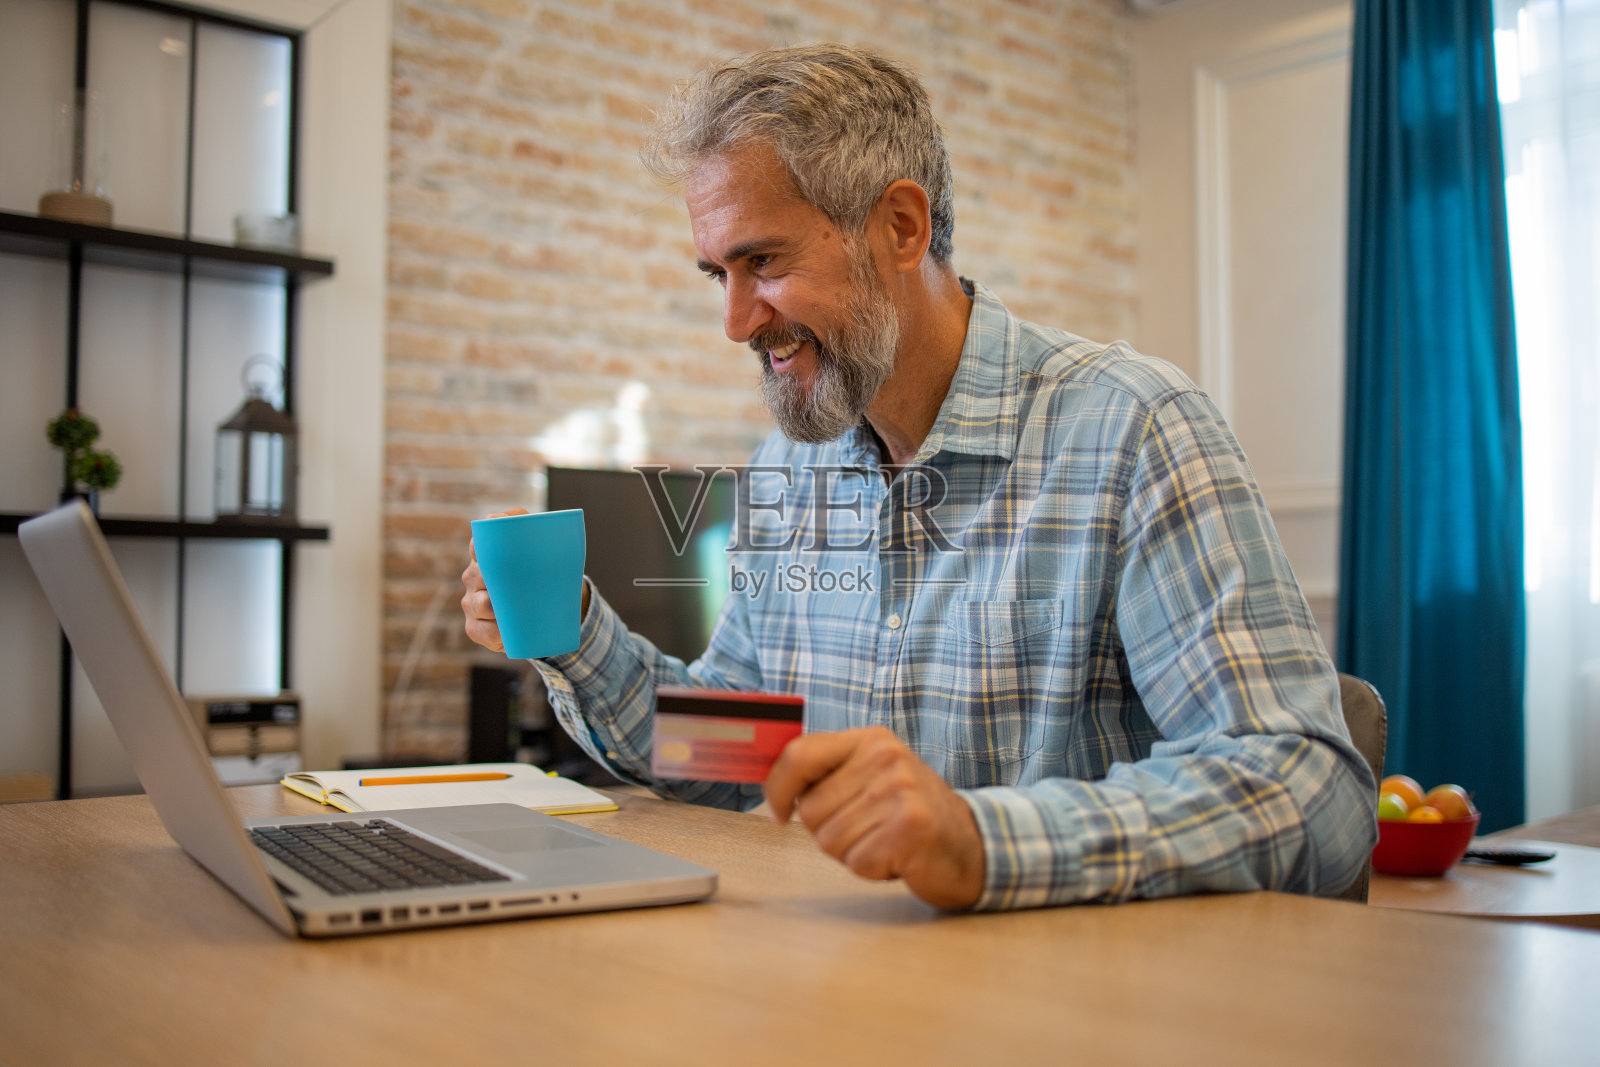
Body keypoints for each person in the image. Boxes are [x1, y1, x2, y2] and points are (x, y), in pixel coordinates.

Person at [461, 44, 1377, 911]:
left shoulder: (1133, 429)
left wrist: (981, 839)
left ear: (901, 227)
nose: (736, 322)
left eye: (764, 262)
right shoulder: (795, 465)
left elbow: (1309, 790)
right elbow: (731, 753)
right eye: (718, 275)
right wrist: (573, 635)